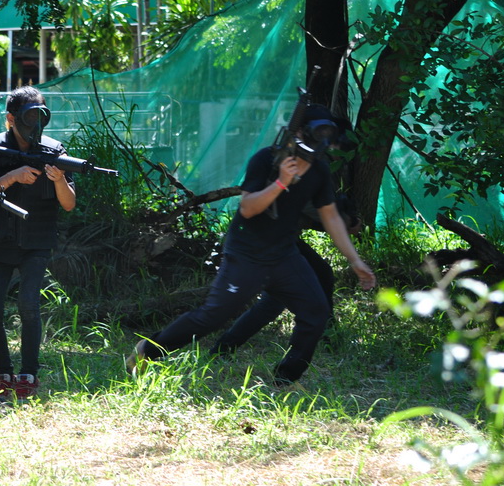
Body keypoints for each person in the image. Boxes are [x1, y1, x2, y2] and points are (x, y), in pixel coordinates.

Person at [127, 105, 377, 386]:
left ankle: (284, 381)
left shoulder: (319, 169)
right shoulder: (266, 160)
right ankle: (147, 350)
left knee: (316, 312)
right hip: (246, 254)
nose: (322, 141)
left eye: (327, 135)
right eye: (317, 132)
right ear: (298, 132)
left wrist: (355, 260)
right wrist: (281, 182)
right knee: (212, 317)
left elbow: (330, 216)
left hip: (284, 256)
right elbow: (247, 208)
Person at [211, 107, 361, 355]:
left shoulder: (312, 159)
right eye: (335, 142)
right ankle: (325, 334)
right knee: (305, 283)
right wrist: (345, 222)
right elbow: (313, 210)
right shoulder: (301, 160)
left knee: (275, 301)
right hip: (262, 240)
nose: (336, 148)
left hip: (277, 239)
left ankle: (224, 348)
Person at [0, 86, 76, 405]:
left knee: (29, 305)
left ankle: (29, 374)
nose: (35, 123)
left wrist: (59, 179)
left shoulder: (55, 150)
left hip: (37, 241)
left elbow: (69, 204)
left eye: (41, 116)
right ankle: (4, 374)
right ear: (11, 118)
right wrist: (13, 177)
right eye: (29, 116)